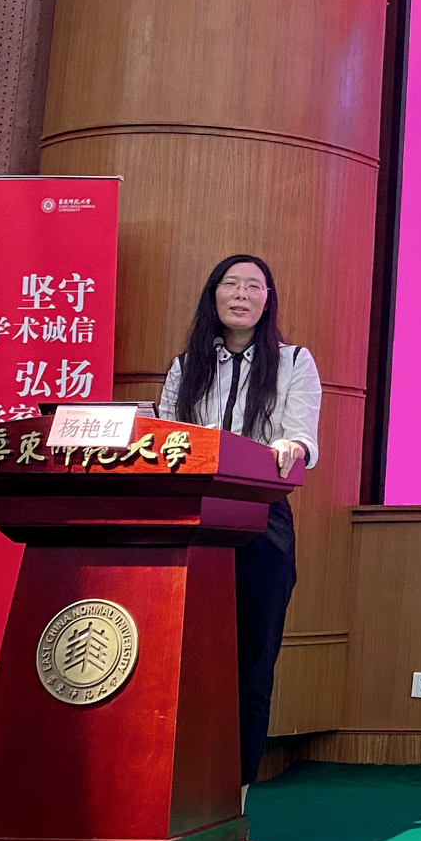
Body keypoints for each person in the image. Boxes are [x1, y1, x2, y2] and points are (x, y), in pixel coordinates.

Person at [157, 254, 319, 805]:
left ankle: (236, 795)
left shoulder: (294, 361)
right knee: (188, 659)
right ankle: (176, 787)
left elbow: (302, 440)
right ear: (214, 295)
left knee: (252, 661)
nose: (242, 295)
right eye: (231, 284)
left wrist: (290, 446)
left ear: (267, 300)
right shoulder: (187, 366)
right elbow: (167, 439)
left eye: (254, 286)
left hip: (261, 519)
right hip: (194, 519)